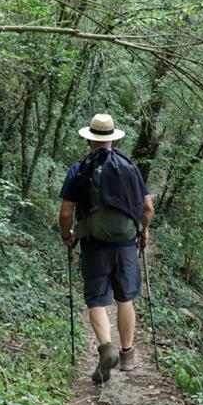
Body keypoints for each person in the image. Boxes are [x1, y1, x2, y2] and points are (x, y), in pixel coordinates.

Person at [58, 113, 154, 384]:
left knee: (97, 299)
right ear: (114, 139)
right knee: (125, 298)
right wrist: (143, 230)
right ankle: (127, 355)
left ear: (89, 139)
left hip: (93, 244)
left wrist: (68, 237)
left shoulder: (78, 169)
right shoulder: (130, 168)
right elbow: (147, 207)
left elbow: (66, 213)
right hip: (125, 245)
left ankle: (106, 347)